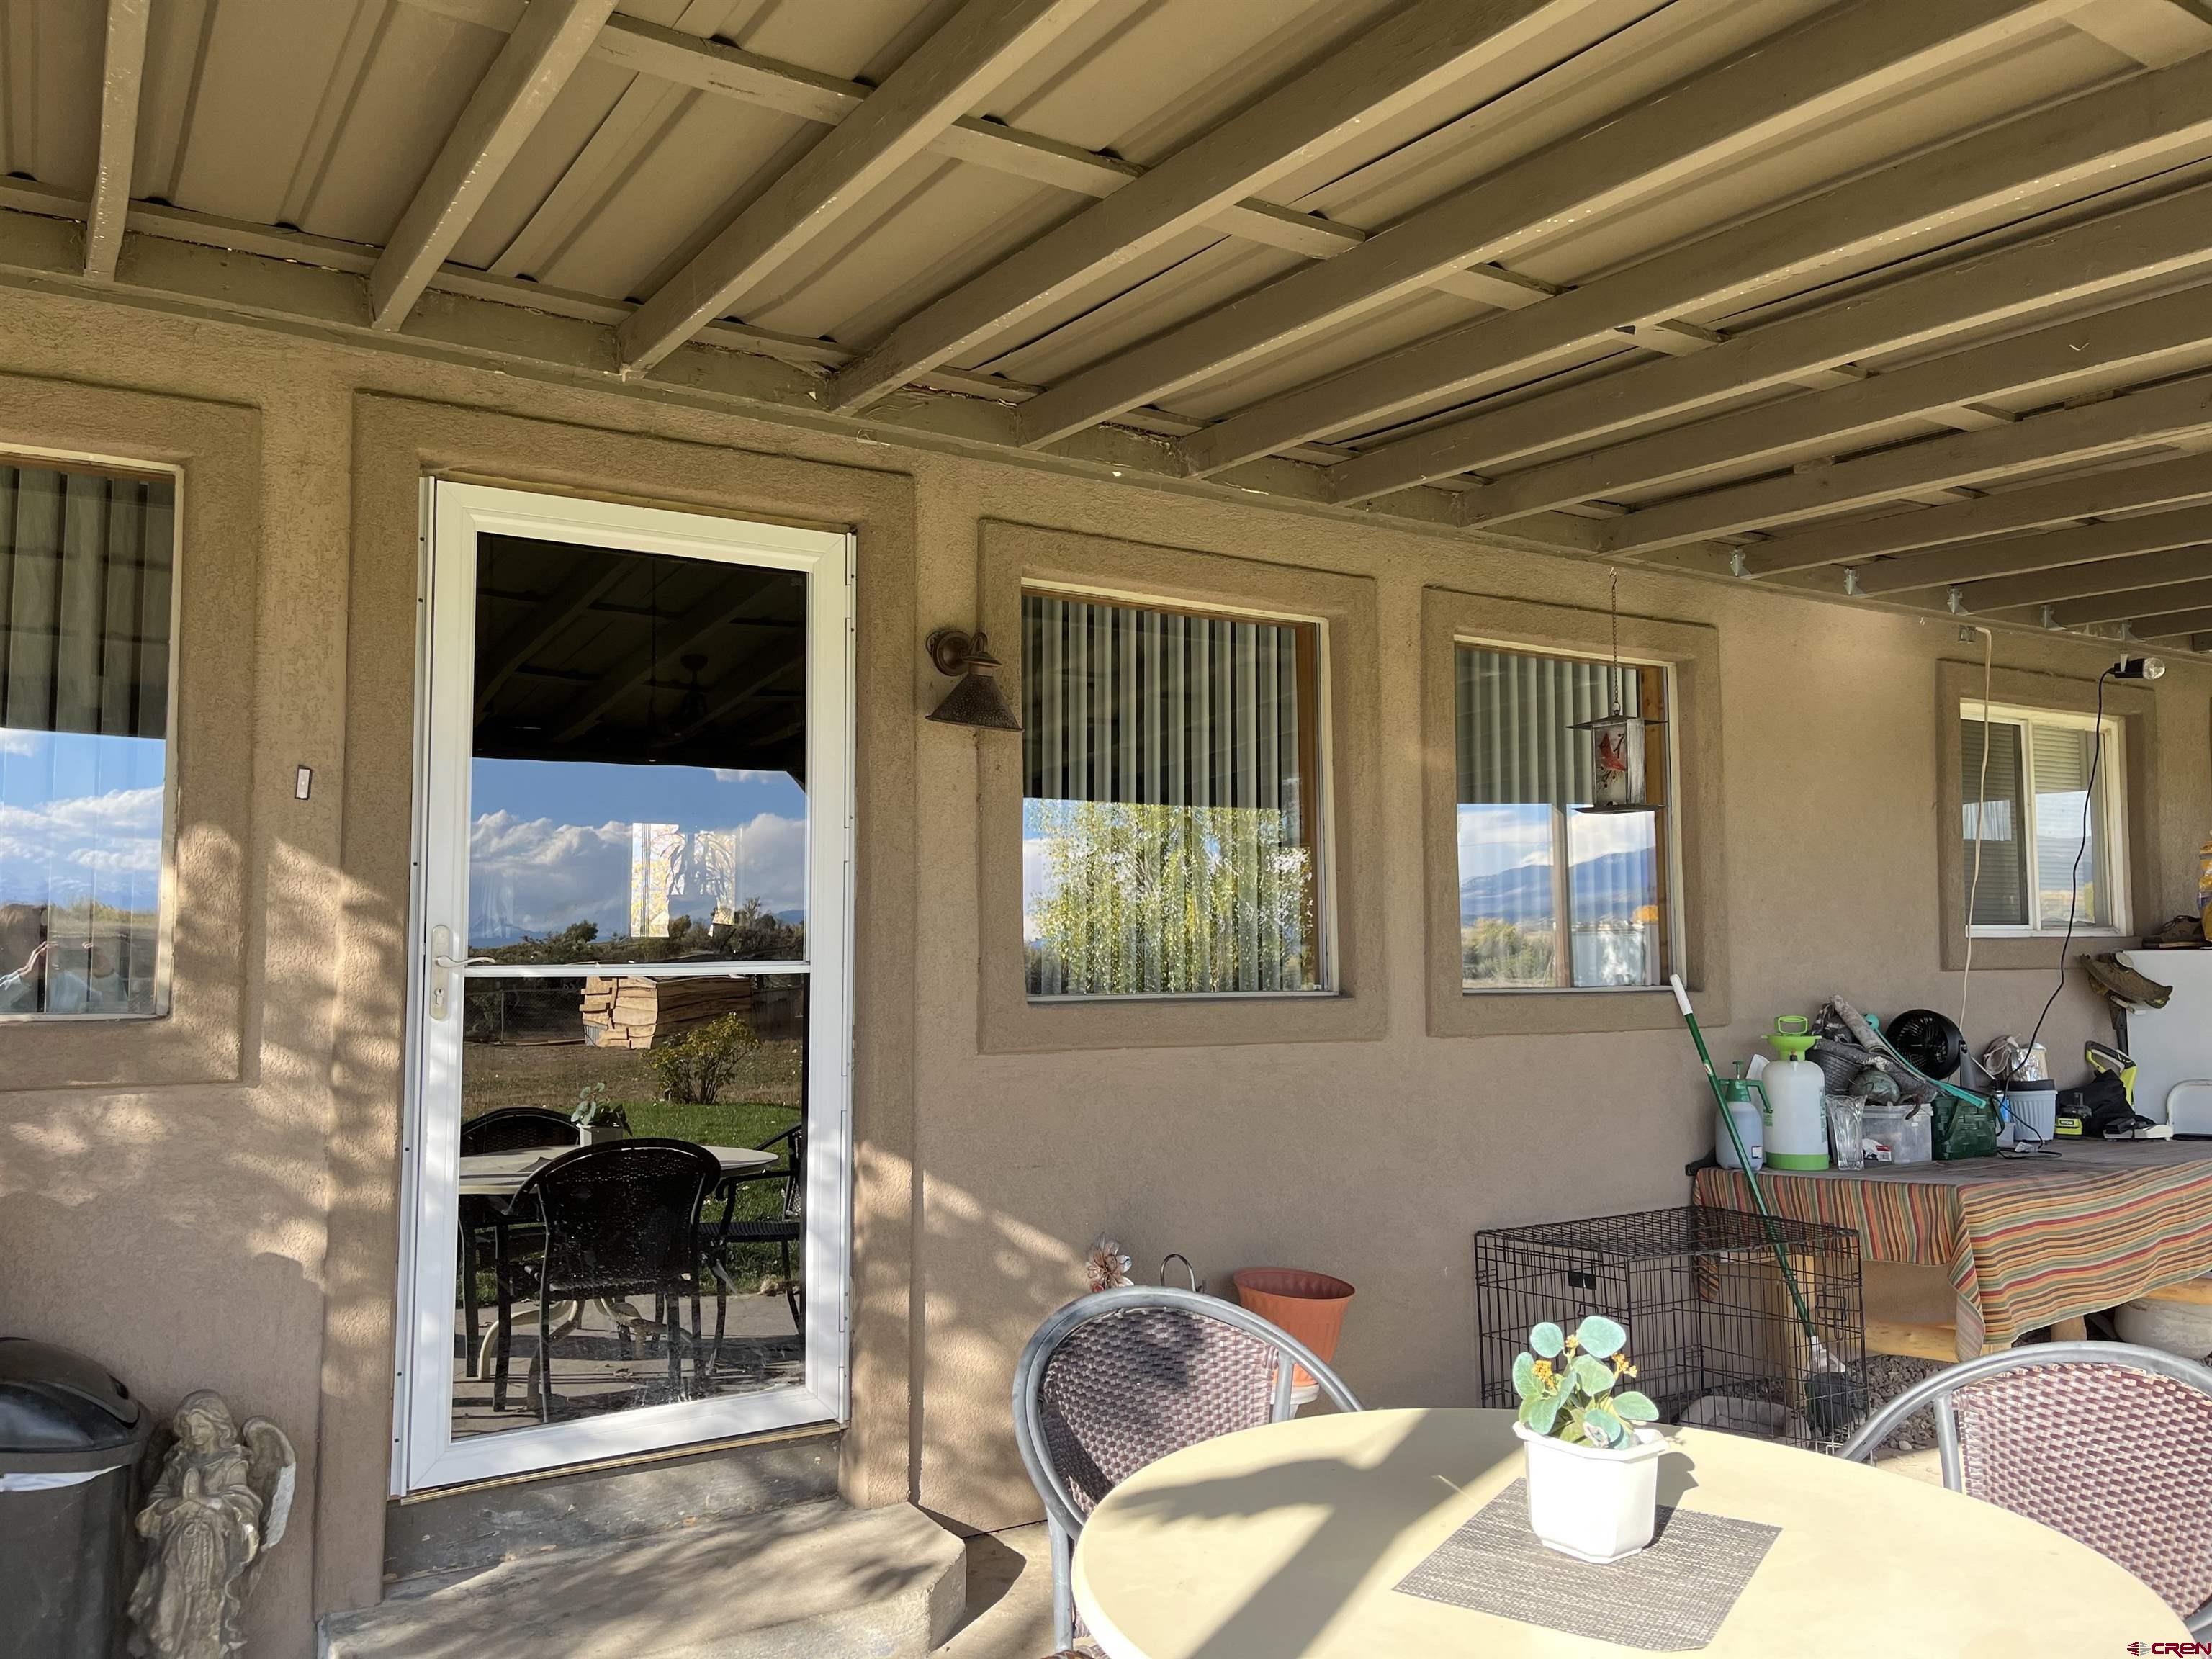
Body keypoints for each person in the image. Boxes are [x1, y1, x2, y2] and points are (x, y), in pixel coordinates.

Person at [0, 937, 122, 1014]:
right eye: (25, 932)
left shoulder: (65, 981)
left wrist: (106, 975)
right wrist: (25, 975)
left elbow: (114, 1010)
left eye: (42, 934)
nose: (36, 940)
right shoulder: (4, 980)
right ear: (5, 944)